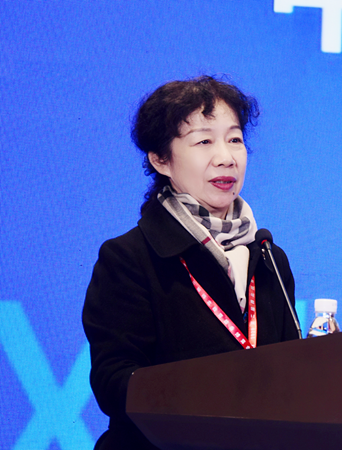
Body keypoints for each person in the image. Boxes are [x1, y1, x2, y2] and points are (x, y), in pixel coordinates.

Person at [82, 76, 299, 449]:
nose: (226, 157)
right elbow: (114, 383)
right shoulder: (129, 257)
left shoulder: (269, 257)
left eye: (235, 140)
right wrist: (215, 393)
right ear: (161, 159)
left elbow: (292, 374)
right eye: (204, 142)